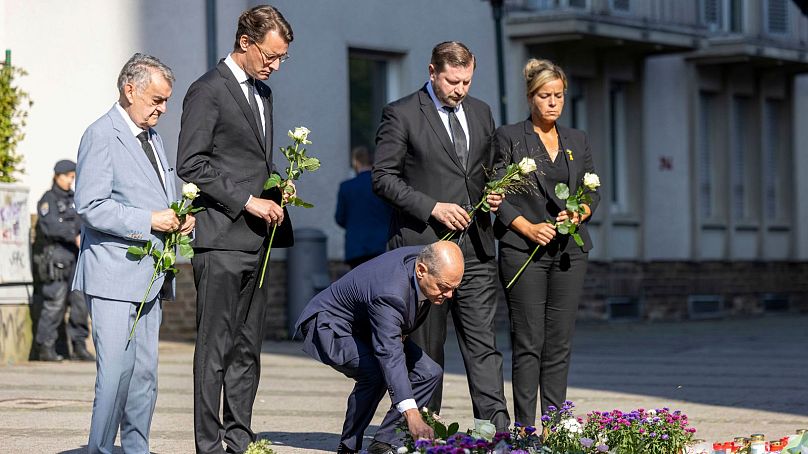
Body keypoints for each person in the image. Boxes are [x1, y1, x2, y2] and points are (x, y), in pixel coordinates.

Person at [372, 41, 509, 430]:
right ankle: (424, 433)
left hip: (477, 249)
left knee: (484, 347)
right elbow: (382, 179)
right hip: (425, 254)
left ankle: (496, 432)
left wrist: (495, 189)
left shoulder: (481, 112)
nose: (460, 89)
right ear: (432, 72)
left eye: (466, 81)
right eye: (452, 81)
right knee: (426, 352)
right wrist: (432, 206)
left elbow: (489, 167)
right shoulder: (400, 113)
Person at [176, 5, 294, 453]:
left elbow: (248, 163)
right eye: (271, 55)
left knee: (247, 350)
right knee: (214, 351)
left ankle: (239, 439)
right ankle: (209, 445)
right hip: (221, 239)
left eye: (283, 58)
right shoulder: (207, 90)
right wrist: (247, 200)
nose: (275, 65)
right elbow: (191, 162)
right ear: (245, 42)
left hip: (258, 241)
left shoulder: (262, 94)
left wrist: (278, 185)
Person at [73, 53, 192, 454]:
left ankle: (136, 449)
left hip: (150, 276)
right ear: (130, 89)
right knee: (115, 375)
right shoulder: (101, 134)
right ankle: (101, 449)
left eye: (165, 102)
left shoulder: (153, 137)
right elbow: (90, 205)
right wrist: (149, 220)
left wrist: (178, 217)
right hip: (111, 273)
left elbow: (157, 195)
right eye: (156, 100)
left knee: (144, 375)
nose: (161, 110)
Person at [493, 59, 599, 426]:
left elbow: (591, 189)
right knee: (529, 342)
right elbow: (497, 194)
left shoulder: (577, 140)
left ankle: (554, 427)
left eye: (558, 95)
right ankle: (524, 429)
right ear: (529, 97)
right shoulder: (509, 137)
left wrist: (580, 212)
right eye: (544, 96)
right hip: (524, 252)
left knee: (559, 344)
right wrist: (528, 228)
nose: (552, 102)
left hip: (570, 253)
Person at [295, 241, 463, 454]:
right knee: (374, 373)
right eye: (444, 287)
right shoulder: (390, 292)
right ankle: (348, 447)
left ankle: (383, 442)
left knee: (429, 372)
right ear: (421, 270)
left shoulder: (427, 261)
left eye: (453, 288)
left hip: (371, 323)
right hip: (332, 325)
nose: (449, 295)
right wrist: (412, 415)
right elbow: (390, 355)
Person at [32, 159, 93, 362]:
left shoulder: (75, 199)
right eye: (68, 176)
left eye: (73, 177)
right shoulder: (47, 200)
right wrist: (72, 235)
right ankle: (45, 347)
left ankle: (79, 346)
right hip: (56, 259)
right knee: (55, 304)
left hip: (75, 259)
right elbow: (50, 227)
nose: (70, 181)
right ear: (57, 176)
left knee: (80, 304)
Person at [335, 146, 392, 268]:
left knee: (357, 285)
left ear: (355, 161)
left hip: (356, 247)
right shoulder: (383, 185)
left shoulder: (346, 187)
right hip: (381, 245)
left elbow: (340, 218)